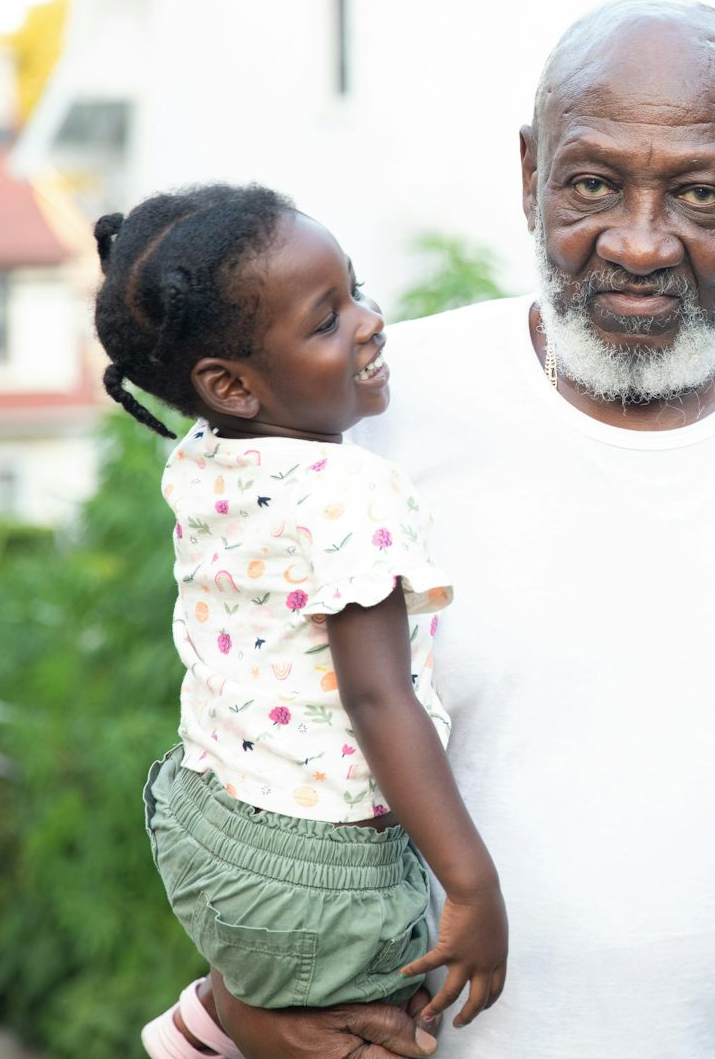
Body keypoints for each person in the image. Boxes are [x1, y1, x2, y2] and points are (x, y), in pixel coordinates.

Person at [208, 0, 715, 1058]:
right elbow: (247, 745)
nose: (638, 240)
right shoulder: (373, 417)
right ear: (529, 174)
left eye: (700, 193)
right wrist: (242, 1006)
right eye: (592, 184)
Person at [91, 185, 508, 1059]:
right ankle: (212, 1030)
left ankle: (210, 1021)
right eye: (327, 321)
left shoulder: (205, 458)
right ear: (232, 385)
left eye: (355, 290)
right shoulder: (351, 492)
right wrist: (470, 886)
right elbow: (378, 695)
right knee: (386, 1036)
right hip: (315, 880)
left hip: (200, 821)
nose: (369, 322)